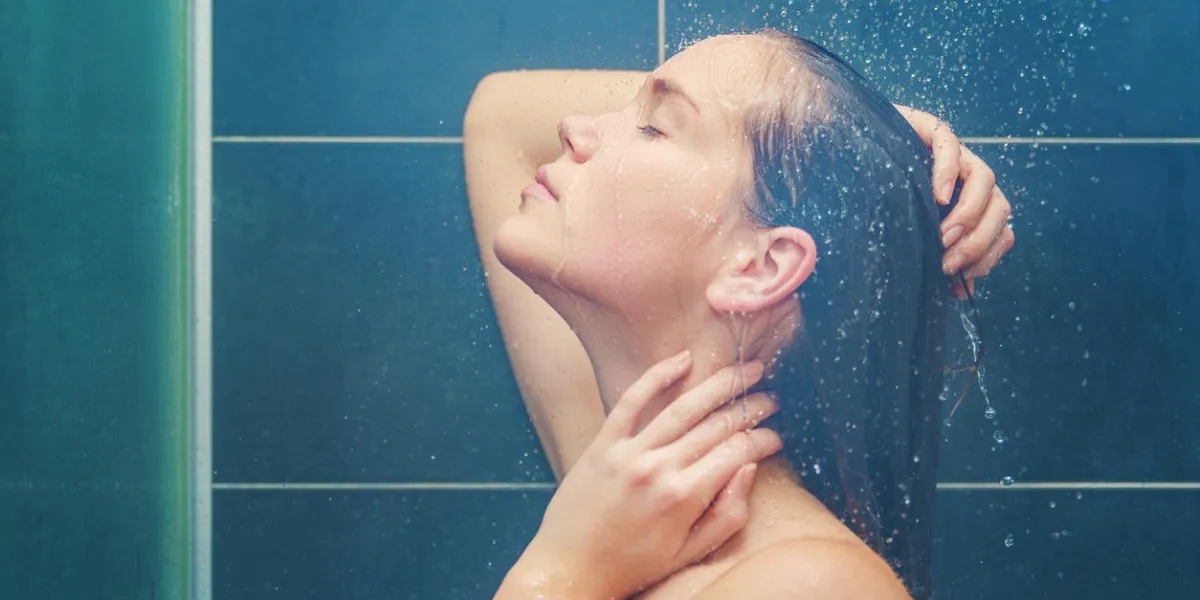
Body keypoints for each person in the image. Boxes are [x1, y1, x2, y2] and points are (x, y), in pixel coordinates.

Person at [464, 29, 1014, 599]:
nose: (572, 127)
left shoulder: (812, 587)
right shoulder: (623, 500)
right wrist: (833, 134)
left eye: (653, 125)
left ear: (761, 266)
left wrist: (556, 574)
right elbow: (498, 116)